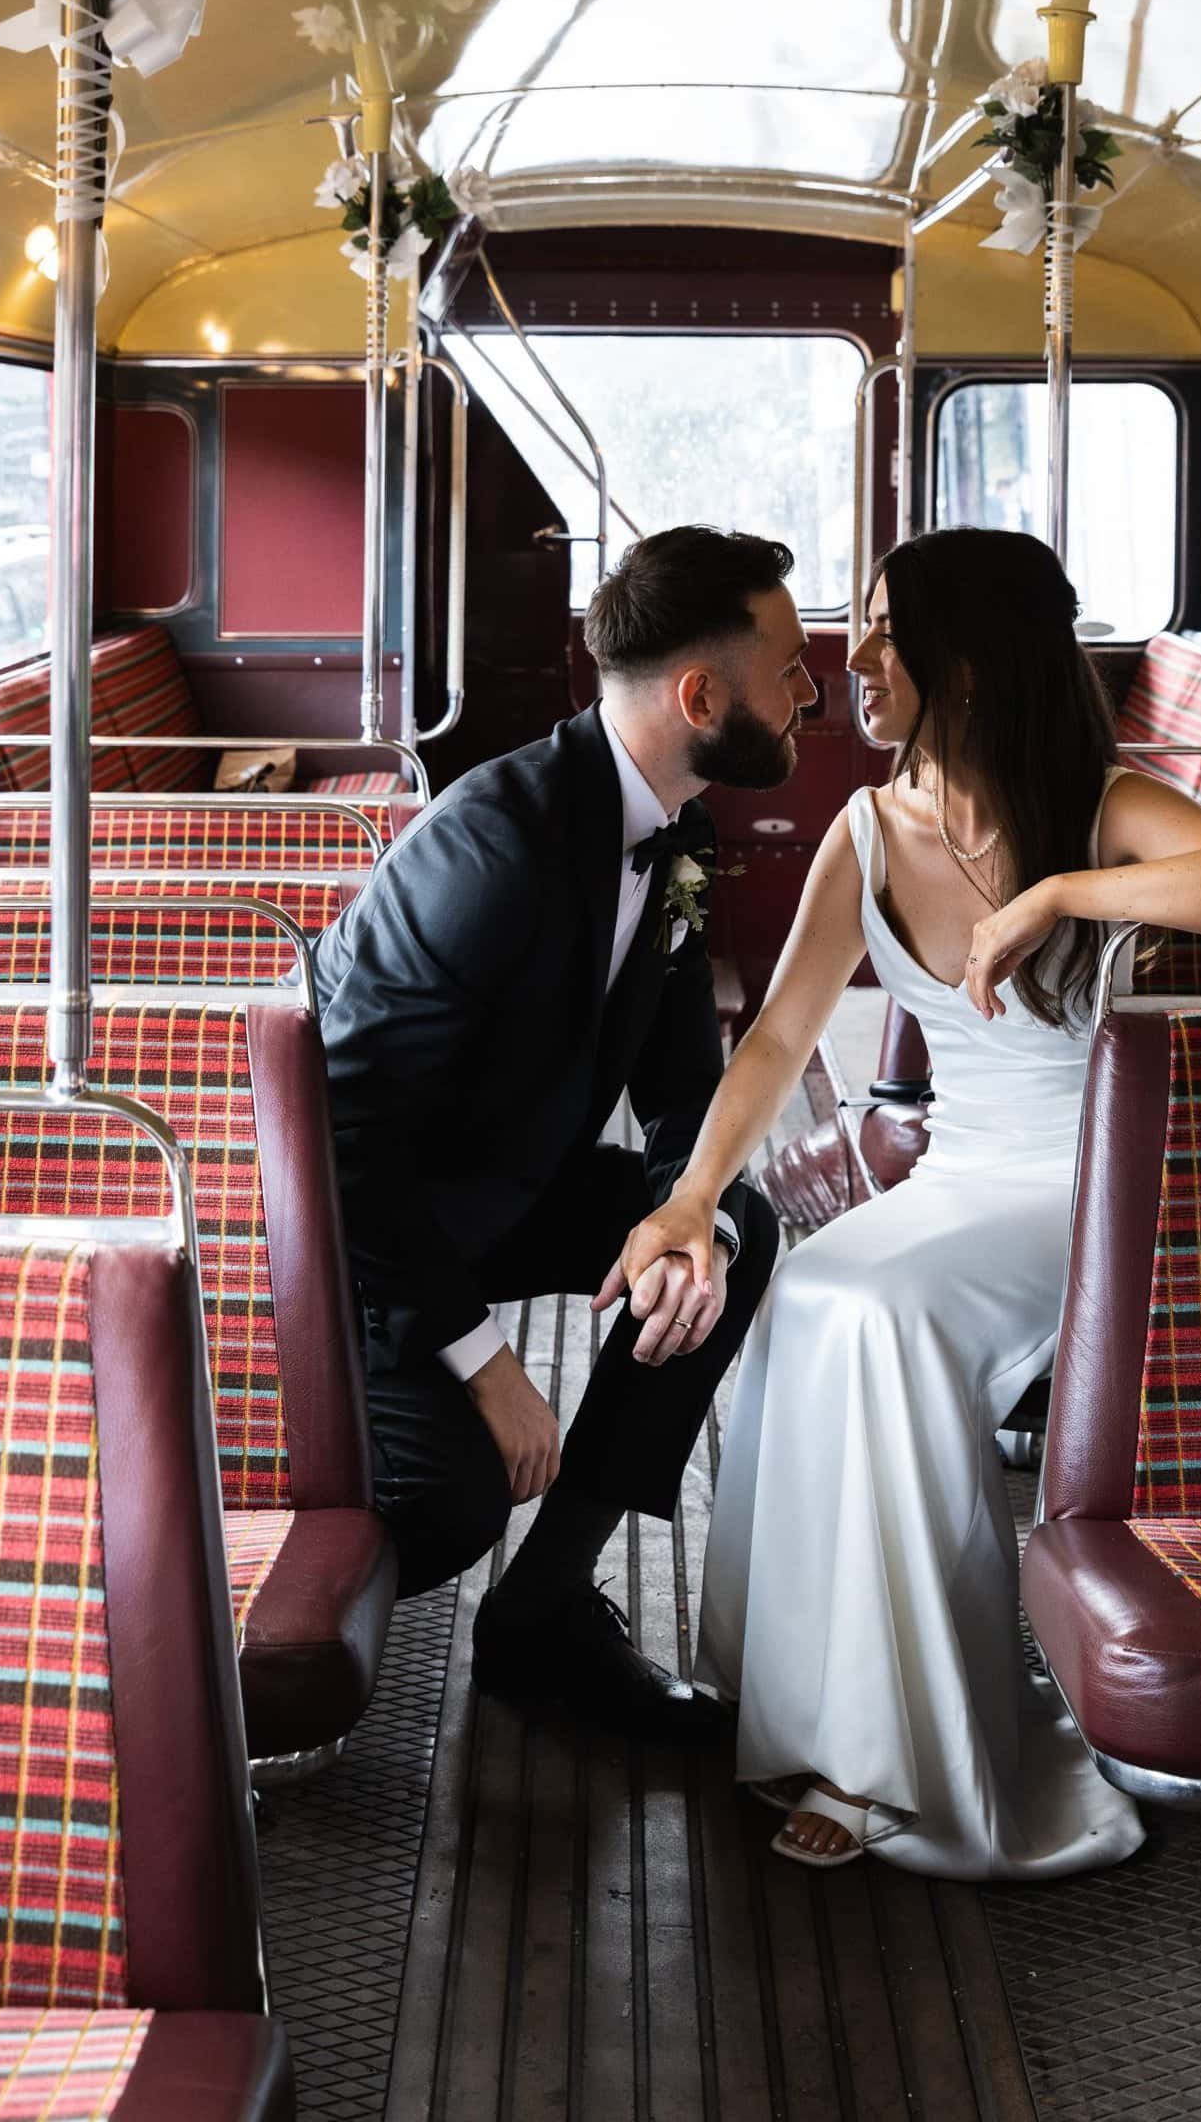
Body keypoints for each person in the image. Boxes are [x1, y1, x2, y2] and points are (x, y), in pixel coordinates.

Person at [607, 528, 1201, 1866]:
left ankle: (913, 1763)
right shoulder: (868, 829)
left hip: (1095, 1190)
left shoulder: (1099, 805)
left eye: (885, 632)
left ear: (969, 665)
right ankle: (820, 1719)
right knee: (804, 1292)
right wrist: (693, 1196)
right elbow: (779, 1035)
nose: (854, 659)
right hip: (965, 1173)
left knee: (883, 1315)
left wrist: (1057, 895)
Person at [312, 526, 809, 1743]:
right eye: (790, 668)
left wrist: (685, 1217)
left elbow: (683, 1085)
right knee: (453, 1495)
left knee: (734, 1226)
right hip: (353, 1244)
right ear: (701, 698)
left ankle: (542, 1608)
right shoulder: (491, 848)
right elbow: (339, 1146)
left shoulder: (677, 827)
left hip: (498, 1189)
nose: (810, 693)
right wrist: (485, 1362)